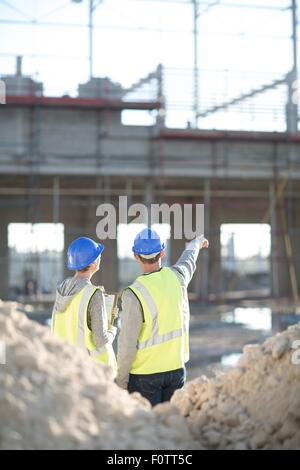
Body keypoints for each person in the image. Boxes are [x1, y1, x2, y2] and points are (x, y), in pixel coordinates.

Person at [116, 227, 209, 406]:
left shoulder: (133, 294)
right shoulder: (178, 277)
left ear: (136, 256)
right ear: (162, 252)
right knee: (170, 423)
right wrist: (196, 243)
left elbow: (127, 343)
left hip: (144, 376)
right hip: (176, 370)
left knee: (149, 429)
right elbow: (188, 259)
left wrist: (121, 381)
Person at [51, 236, 117, 372]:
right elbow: (100, 340)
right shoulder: (93, 294)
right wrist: (112, 331)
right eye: (97, 255)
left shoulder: (61, 288)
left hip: (65, 365)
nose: (100, 257)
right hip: (90, 370)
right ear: (92, 263)